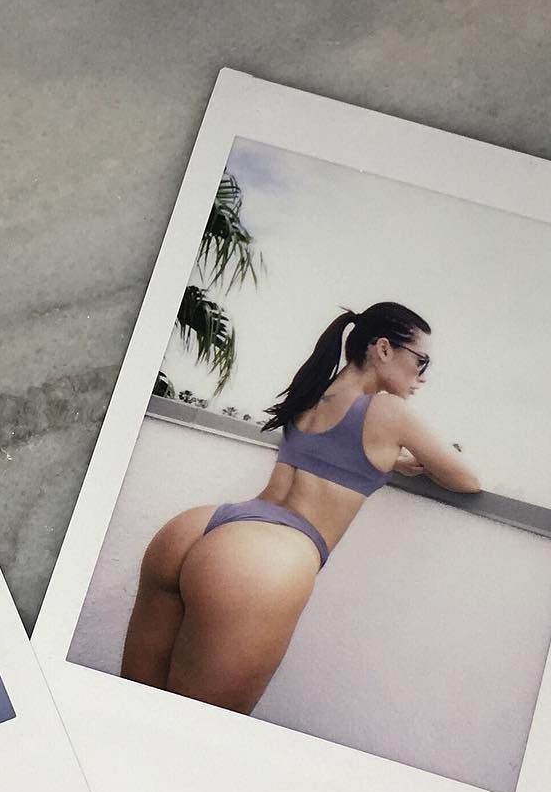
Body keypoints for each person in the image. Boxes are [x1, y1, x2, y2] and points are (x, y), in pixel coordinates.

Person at [121, 302, 481, 715]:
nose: (423, 377)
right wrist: (406, 459)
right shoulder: (389, 410)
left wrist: (389, 461)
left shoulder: (314, 391)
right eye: (421, 362)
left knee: (130, 708)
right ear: (383, 349)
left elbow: (332, 452)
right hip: (265, 557)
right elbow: (466, 480)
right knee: (193, 730)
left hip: (198, 528)